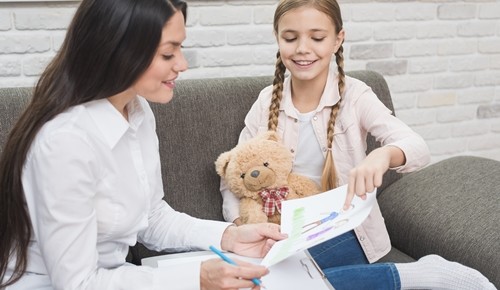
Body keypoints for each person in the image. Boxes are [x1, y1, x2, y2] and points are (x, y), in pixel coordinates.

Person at [0, 0, 288, 289]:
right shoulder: (65, 143)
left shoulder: (137, 110)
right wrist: (195, 279)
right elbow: (79, 284)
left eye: (180, 49)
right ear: (121, 51)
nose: (182, 64)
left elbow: (151, 216)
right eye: (168, 53)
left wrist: (230, 236)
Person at [220, 0, 496, 289]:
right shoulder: (266, 102)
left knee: (274, 284)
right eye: (290, 38)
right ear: (278, 38)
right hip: (282, 232)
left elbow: (417, 146)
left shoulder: (356, 97)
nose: (302, 48)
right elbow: (232, 177)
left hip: (345, 228)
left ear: (338, 39)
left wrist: (385, 155)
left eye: (317, 37)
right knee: (257, 282)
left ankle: (423, 274)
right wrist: (243, 225)